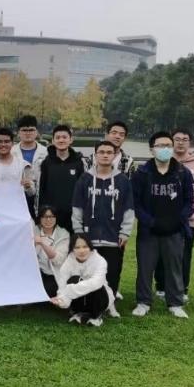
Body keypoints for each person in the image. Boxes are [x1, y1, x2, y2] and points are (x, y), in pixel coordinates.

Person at [131, 131, 194, 319]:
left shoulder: (182, 173)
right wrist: (150, 221)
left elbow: (190, 201)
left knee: (174, 267)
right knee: (145, 268)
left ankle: (175, 303)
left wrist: (178, 221)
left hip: (174, 230)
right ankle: (143, 302)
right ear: (152, 149)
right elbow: (135, 202)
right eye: (160, 146)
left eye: (168, 145)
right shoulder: (141, 173)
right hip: (148, 230)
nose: (165, 149)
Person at [72, 140, 134, 301]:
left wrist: (125, 232)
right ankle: (88, 302)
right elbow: (77, 207)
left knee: (112, 271)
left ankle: (109, 301)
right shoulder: (85, 179)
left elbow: (128, 209)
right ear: (95, 155)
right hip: (89, 237)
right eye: (102, 152)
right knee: (88, 272)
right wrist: (78, 232)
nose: (105, 155)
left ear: (114, 155)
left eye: (109, 152)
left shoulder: (122, 180)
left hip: (113, 237)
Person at [155, 128, 194, 300]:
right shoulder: (162, 161)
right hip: (162, 219)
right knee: (161, 255)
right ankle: (161, 287)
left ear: (190, 142)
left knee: (183, 256)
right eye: (177, 139)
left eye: (185, 139)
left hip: (188, 220)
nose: (181, 142)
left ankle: (182, 289)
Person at [49, 233, 116, 327]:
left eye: (85, 247)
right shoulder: (68, 262)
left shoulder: (100, 261)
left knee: (97, 286)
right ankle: (78, 312)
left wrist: (69, 291)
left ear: (90, 247)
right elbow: (62, 284)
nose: (81, 251)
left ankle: (96, 316)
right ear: (72, 249)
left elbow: (96, 283)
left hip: (100, 297)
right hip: (79, 297)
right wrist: (61, 300)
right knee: (74, 279)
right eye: (77, 247)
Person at [37, 124, 85, 230]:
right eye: (58, 137)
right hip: (51, 216)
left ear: (70, 140)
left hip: (73, 216)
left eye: (64, 137)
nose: (61, 140)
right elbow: (42, 190)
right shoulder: (46, 163)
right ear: (53, 141)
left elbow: (83, 190)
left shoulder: (78, 162)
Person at [34, 205, 70, 298]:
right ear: (40, 218)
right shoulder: (34, 231)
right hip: (36, 272)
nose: (48, 220)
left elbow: (58, 260)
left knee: (46, 291)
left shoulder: (63, 234)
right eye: (45, 217)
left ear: (56, 218)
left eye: (51, 216)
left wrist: (42, 243)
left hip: (54, 274)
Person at [13, 115, 47, 213]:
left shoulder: (46, 152)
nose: (28, 133)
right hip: (17, 195)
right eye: (24, 130)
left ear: (36, 132)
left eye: (31, 130)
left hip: (40, 196)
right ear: (18, 132)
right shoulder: (11, 152)